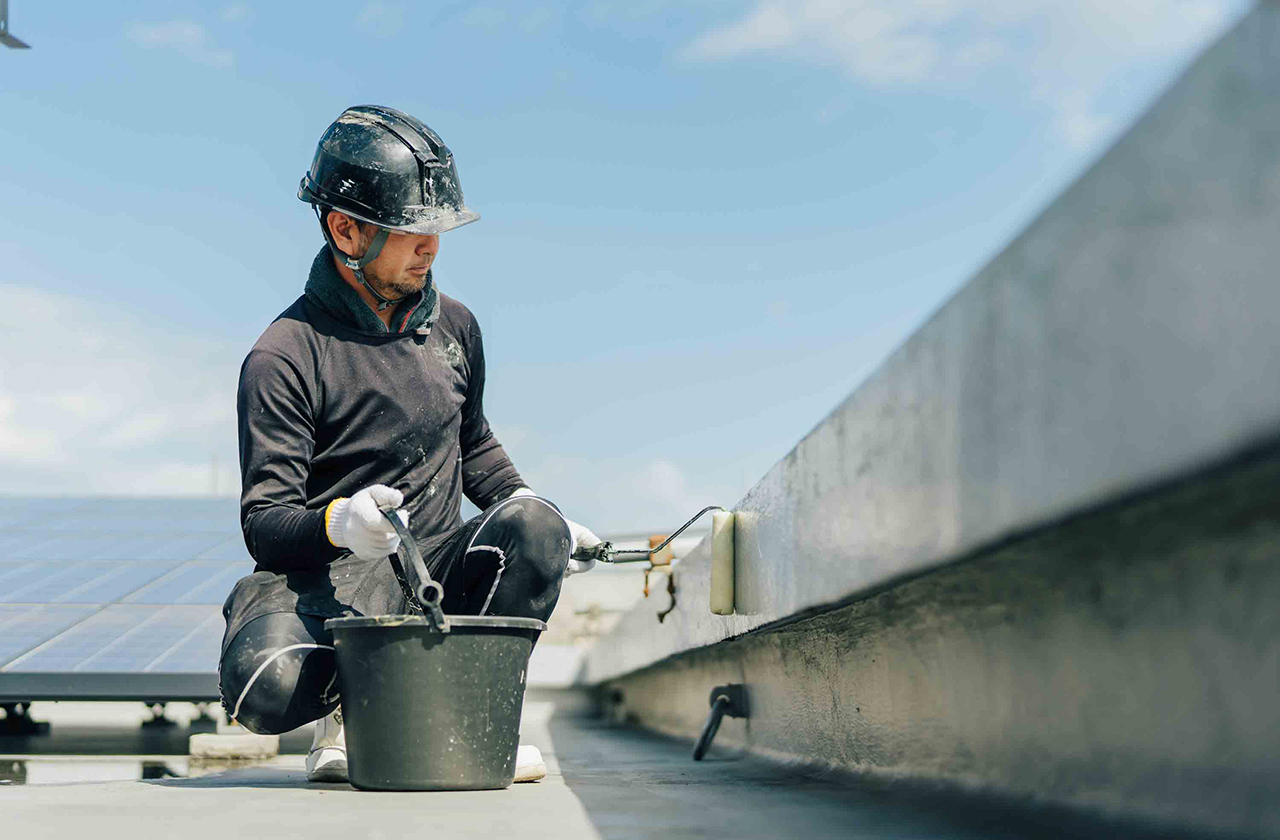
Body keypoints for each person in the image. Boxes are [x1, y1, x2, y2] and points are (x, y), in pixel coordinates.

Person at [218, 105, 600, 783]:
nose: (432, 247)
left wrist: (535, 512)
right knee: (264, 685)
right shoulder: (284, 354)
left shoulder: (457, 328)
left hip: (434, 575)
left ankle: (474, 719)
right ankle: (348, 716)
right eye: (413, 231)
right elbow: (265, 525)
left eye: (438, 231)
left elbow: (473, 441)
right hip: (334, 587)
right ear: (346, 229)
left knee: (536, 530)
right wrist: (341, 523)